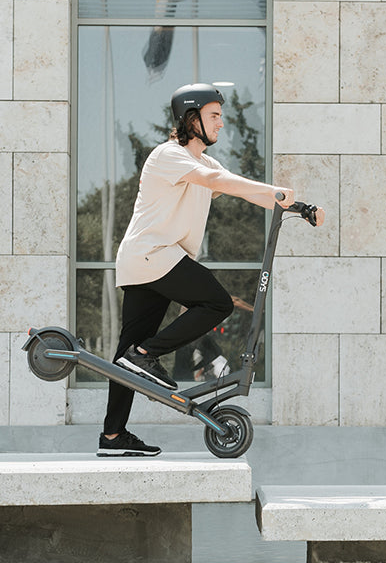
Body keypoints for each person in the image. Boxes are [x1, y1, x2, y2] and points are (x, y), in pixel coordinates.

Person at [97, 83, 309, 457]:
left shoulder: (205, 162)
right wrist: (273, 188)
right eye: (214, 116)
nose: (222, 124)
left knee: (126, 358)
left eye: (221, 117)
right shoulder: (170, 156)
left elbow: (246, 192)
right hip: (154, 255)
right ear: (191, 118)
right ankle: (146, 353)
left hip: (150, 261)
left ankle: (113, 436)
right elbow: (216, 183)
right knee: (215, 302)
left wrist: (301, 208)